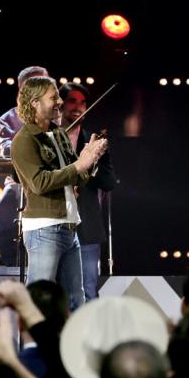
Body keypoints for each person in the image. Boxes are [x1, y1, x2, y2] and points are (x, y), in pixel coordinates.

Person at [10, 77, 106, 308]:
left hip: (70, 227)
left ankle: (69, 344)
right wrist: (79, 165)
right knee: (40, 301)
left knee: (76, 301)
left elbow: (78, 175)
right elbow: (39, 183)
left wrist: (90, 159)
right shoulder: (23, 140)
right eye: (54, 97)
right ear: (34, 102)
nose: (59, 102)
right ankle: (34, 344)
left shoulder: (59, 133)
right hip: (44, 229)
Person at [57, 82, 117, 301]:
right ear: (59, 105)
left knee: (88, 291)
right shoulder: (48, 138)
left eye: (82, 103)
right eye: (72, 101)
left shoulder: (94, 141)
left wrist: (93, 159)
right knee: (54, 291)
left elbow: (109, 183)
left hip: (86, 228)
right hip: (52, 224)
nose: (78, 107)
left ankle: (87, 335)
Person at [0, 65, 49, 266]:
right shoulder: (9, 117)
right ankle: (11, 265)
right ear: (21, 89)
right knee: (4, 208)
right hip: (19, 181)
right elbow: (4, 146)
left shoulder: (57, 115)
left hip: (52, 181)